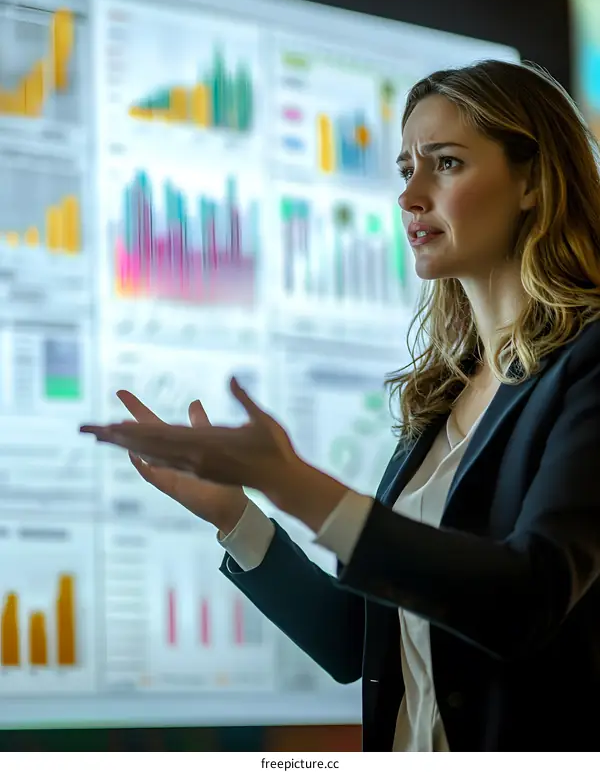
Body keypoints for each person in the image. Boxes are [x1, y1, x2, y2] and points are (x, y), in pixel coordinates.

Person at [82, 59, 600, 751]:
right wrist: (235, 513)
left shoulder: (589, 368)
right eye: (404, 168)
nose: (410, 195)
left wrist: (297, 484)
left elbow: (529, 601)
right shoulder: (443, 397)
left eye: (444, 164)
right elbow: (354, 640)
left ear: (534, 181)